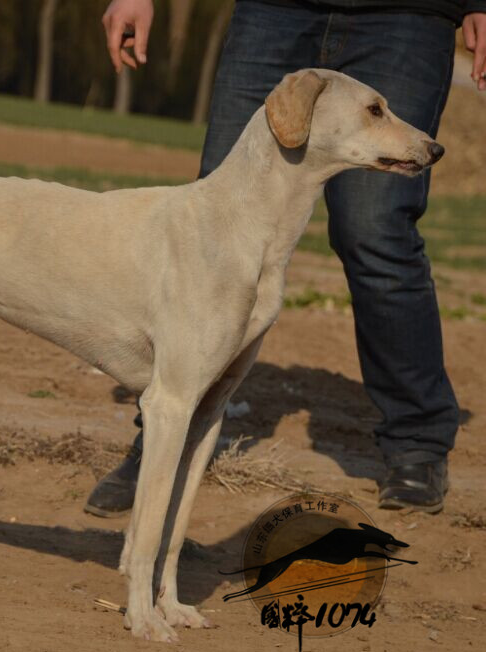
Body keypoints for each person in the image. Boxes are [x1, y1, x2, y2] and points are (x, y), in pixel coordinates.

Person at [85, 0, 486, 517]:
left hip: (408, 13)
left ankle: (417, 440)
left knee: (375, 230)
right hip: (275, 10)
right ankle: (166, 440)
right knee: (216, 227)